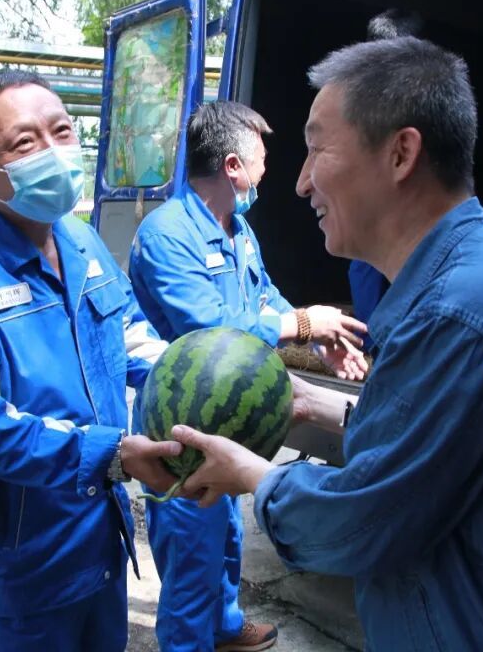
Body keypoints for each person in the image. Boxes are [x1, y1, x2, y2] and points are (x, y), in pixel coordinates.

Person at [170, 28, 483, 650]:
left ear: (401, 154)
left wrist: (253, 475)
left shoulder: (459, 313)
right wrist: (313, 402)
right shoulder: (468, 277)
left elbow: (360, 521)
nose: (301, 183)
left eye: (316, 150)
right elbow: (433, 444)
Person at [0, 69, 180, 652]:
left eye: (63, 131)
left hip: (97, 545)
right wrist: (114, 454)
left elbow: (128, 335)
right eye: (25, 143)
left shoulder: (81, 241)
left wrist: (199, 373)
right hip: (15, 574)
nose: (54, 152)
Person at [128, 101, 369, 652]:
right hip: (181, 422)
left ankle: (225, 626)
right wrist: (301, 323)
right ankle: (189, 641)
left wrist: (312, 334)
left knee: (227, 530)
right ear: (233, 166)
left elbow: (265, 296)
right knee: (190, 548)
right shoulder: (167, 235)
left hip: (229, 419)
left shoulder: (237, 229)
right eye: (261, 161)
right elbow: (209, 329)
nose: (268, 173)